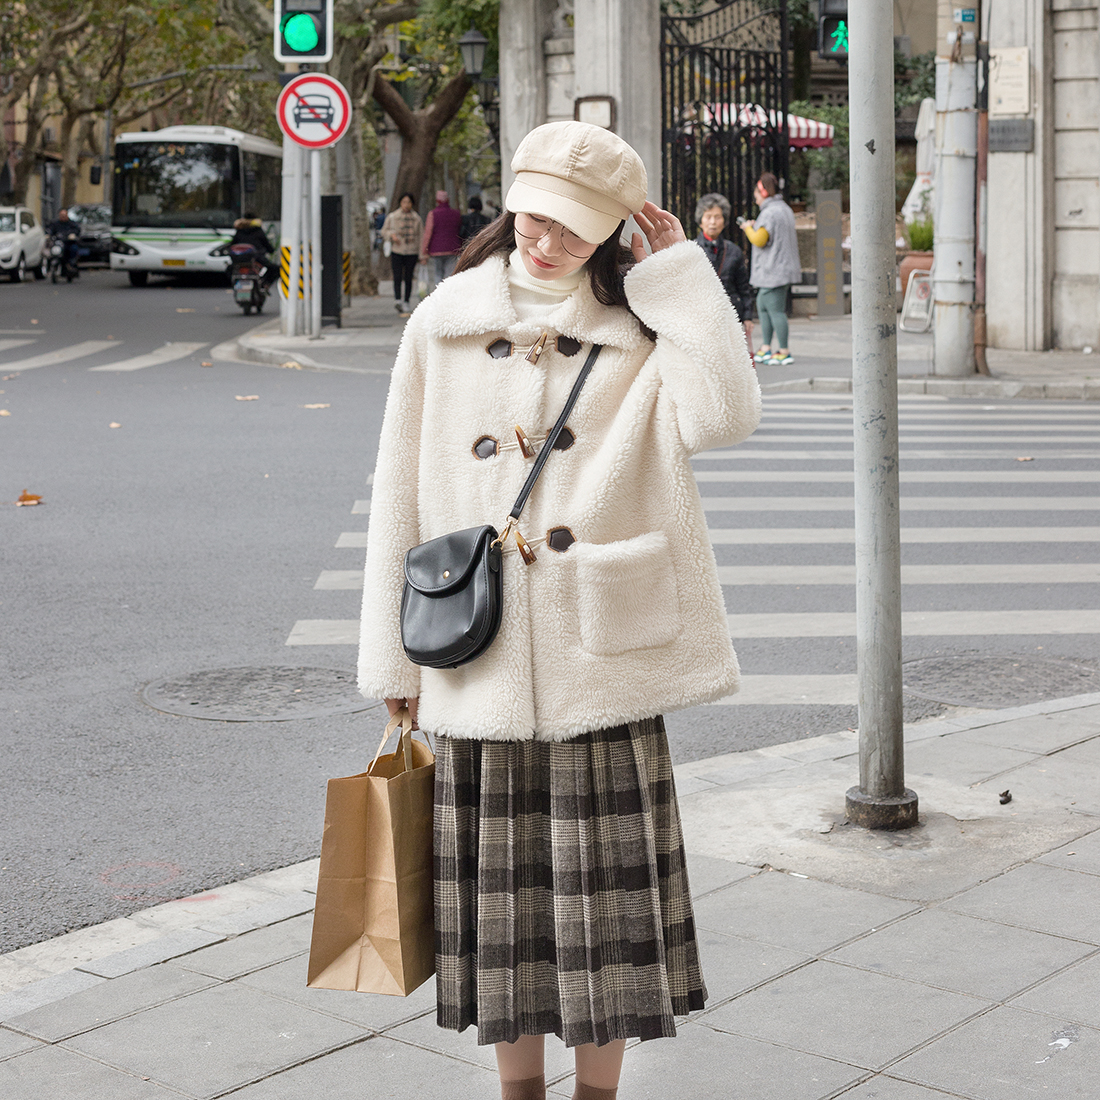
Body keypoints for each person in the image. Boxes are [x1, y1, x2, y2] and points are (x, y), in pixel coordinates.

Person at [358, 121, 760, 1100]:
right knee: (502, 918)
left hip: (601, 656)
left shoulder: (640, 321)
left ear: (614, 230)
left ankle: (597, 1093)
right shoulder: (444, 315)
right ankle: (517, 1092)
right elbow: (396, 494)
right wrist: (392, 669)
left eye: (574, 233)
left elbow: (723, 418)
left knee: (606, 915)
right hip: (475, 656)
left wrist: (680, 276)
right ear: (510, 202)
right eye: (535, 221)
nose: (545, 244)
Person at [740, 172, 801, 365]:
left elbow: (759, 240)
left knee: (774, 309)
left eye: (757, 193)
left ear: (764, 192)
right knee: (765, 305)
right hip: (781, 268)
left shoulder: (769, 212)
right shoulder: (784, 209)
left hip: (773, 269)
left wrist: (747, 228)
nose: (755, 197)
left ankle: (783, 350)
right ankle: (766, 347)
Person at [693, 192, 753, 344]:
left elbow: (743, 286)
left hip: (730, 314)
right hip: (700, 315)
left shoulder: (734, 251)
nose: (713, 222)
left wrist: (747, 316)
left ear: (724, 221)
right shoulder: (691, 250)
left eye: (717, 217)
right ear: (701, 221)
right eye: (708, 217)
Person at [380, 192, 423, 314]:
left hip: (412, 251)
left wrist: (422, 254)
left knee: (409, 277)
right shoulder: (393, 217)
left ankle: (406, 301)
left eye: (409, 202)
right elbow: (384, 231)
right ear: (400, 203)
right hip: (397, 250)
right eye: (404, 202)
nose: (406, 205)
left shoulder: (416, 218)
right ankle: (398, 299)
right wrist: (391, 236)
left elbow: (421, 236)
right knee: (397, 275)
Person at [419, 190, 462, 289]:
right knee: (449, 274)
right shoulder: (456, 214)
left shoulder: (433, 214)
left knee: (438, 273)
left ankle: (438, 294)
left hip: (436, 249)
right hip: (453, 248)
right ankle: (448, 293)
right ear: (448, 200)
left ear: (437, 200)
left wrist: (424, 250)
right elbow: (459, 229)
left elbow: (428, 233)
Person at [229, 213, 275, 286]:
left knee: (229, 269)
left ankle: (234, 285)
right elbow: (266, 244)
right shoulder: (258, 231)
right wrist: (271, 250)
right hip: (256, 257)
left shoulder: (239, 231)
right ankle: (265, 284)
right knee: (274, 269)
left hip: (239, 259)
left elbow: (233, 245)